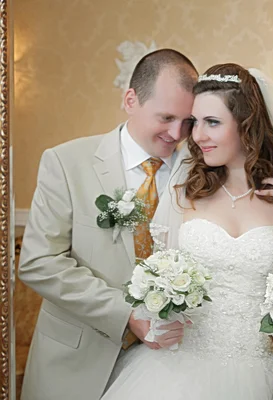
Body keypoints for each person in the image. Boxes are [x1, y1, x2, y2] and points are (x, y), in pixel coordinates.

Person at [18, 49, 199, 400]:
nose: (176, 133)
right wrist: (125, 314)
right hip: (75, 362)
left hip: (170, 366)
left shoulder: (202, 171)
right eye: (166, 117)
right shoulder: (66, 163)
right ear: (130, 100)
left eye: (188, 121)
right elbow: (39, 262)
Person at [102, 63, 273, 400]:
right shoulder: (186, 189)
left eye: (212, 122)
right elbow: (159, 272)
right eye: (194, 123)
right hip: (177, 368)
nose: (197, 136)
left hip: (260, 367)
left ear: (246, 125)